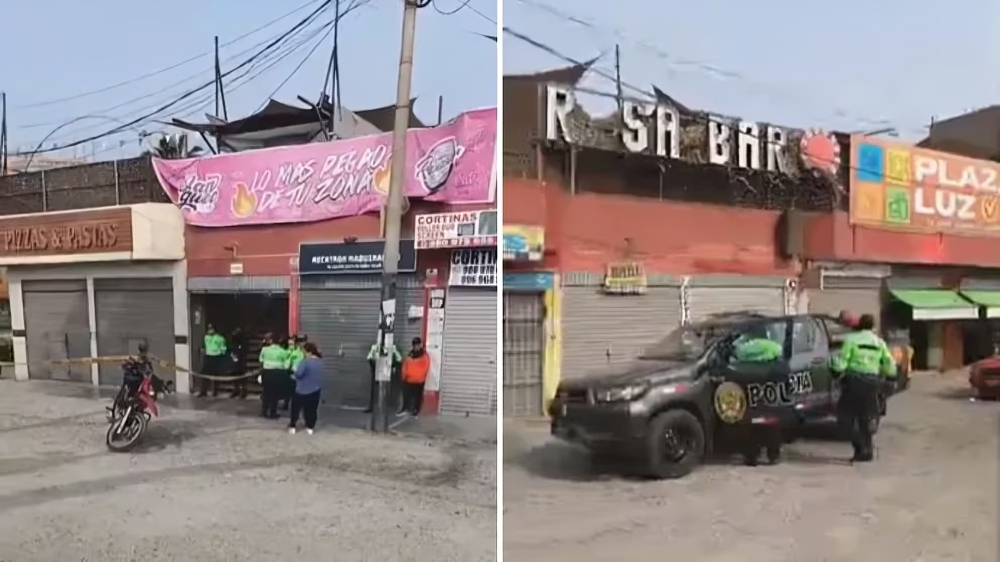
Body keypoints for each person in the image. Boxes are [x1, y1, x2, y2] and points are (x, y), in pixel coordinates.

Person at [830, 313, 897, 463]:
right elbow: (889, 364)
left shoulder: (851, 340)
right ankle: (867, 451)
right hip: (872, 383)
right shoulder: (879, 343)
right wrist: (890, 376)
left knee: (844, 418)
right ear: (873, 326)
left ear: (859, 324)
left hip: (854, 381)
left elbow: (842, 361)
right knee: (865, 418)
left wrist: (835, 369)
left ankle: (860, 446)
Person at [288, 342, 324, 435]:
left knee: (295, 409)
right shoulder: (320, 362)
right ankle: (310, 427)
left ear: (308, 352)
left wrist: (294, 371)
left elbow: (299, 374)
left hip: (301, 389)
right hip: (315, 389)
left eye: (303, 351)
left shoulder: (305, 362)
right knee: (311, 409)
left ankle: (293, 426)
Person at [364, 339, 403, 413]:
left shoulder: (392, 347)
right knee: (376, 389)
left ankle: (386, 407)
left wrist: (393, 367)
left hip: (387, 370)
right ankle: (374, 406)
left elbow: (399, 359)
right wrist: (374, 367)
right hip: (379, 369)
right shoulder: (375, 347)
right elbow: (369, 357)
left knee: (387, 389)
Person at [258, 333, 289, 419]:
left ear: (271, 341)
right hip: (278, 373)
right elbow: (286, 366)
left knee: (266, 392)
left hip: (266, 372)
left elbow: (261, 361)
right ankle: (273, 413)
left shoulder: (264, 350)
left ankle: (264, 412)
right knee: (275, 394)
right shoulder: (283, 351)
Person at [400, 337, 431, 416]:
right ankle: (405, 408)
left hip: (419, 380)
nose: (416, 346)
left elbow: (425, 367)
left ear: (420, 345)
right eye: (414, 345)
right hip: (409, 379)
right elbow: (405, 365)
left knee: (418, 396)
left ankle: (416, 411)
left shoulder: (424, 355)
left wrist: (419, 376)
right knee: (406, 395)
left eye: (417, 345)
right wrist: (404, 376)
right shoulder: (410, 354)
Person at [200, 324, 227, 398]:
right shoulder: (206, 337)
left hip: (216, 357)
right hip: (208, 356)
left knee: (215, 375)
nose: (210, 330)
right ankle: (203, 391)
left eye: (211, 328)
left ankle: (215, 391)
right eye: (209, 328)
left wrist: (221, 355)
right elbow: (204, 346)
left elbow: (223, 348)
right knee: (204, 374)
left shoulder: (220, 338)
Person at [229, 328, 248, 399]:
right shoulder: (233, 344)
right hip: (234, 363)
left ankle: (243, 391)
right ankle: (236, 390)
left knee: (242, 378)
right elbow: (231, 352)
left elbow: (244, 353)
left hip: (241, 363)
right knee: (235, 377)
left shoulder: (243, 344)